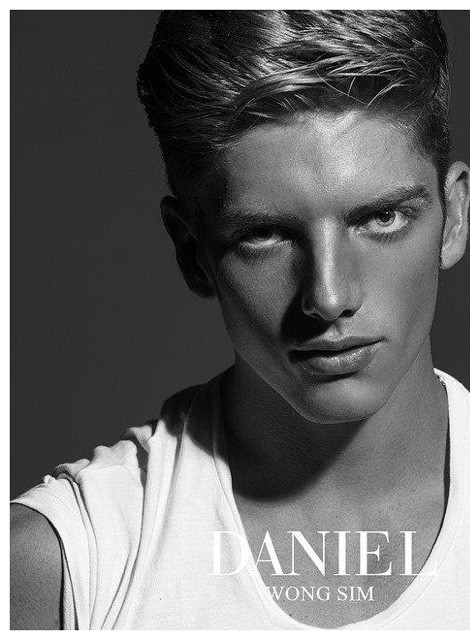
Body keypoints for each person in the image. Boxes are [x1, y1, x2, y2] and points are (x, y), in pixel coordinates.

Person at [10, 10, 470, 630]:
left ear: (454, 215)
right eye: (265, 235)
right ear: (191, 250)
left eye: (380, 218)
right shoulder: (58, 565)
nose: (328, 296)